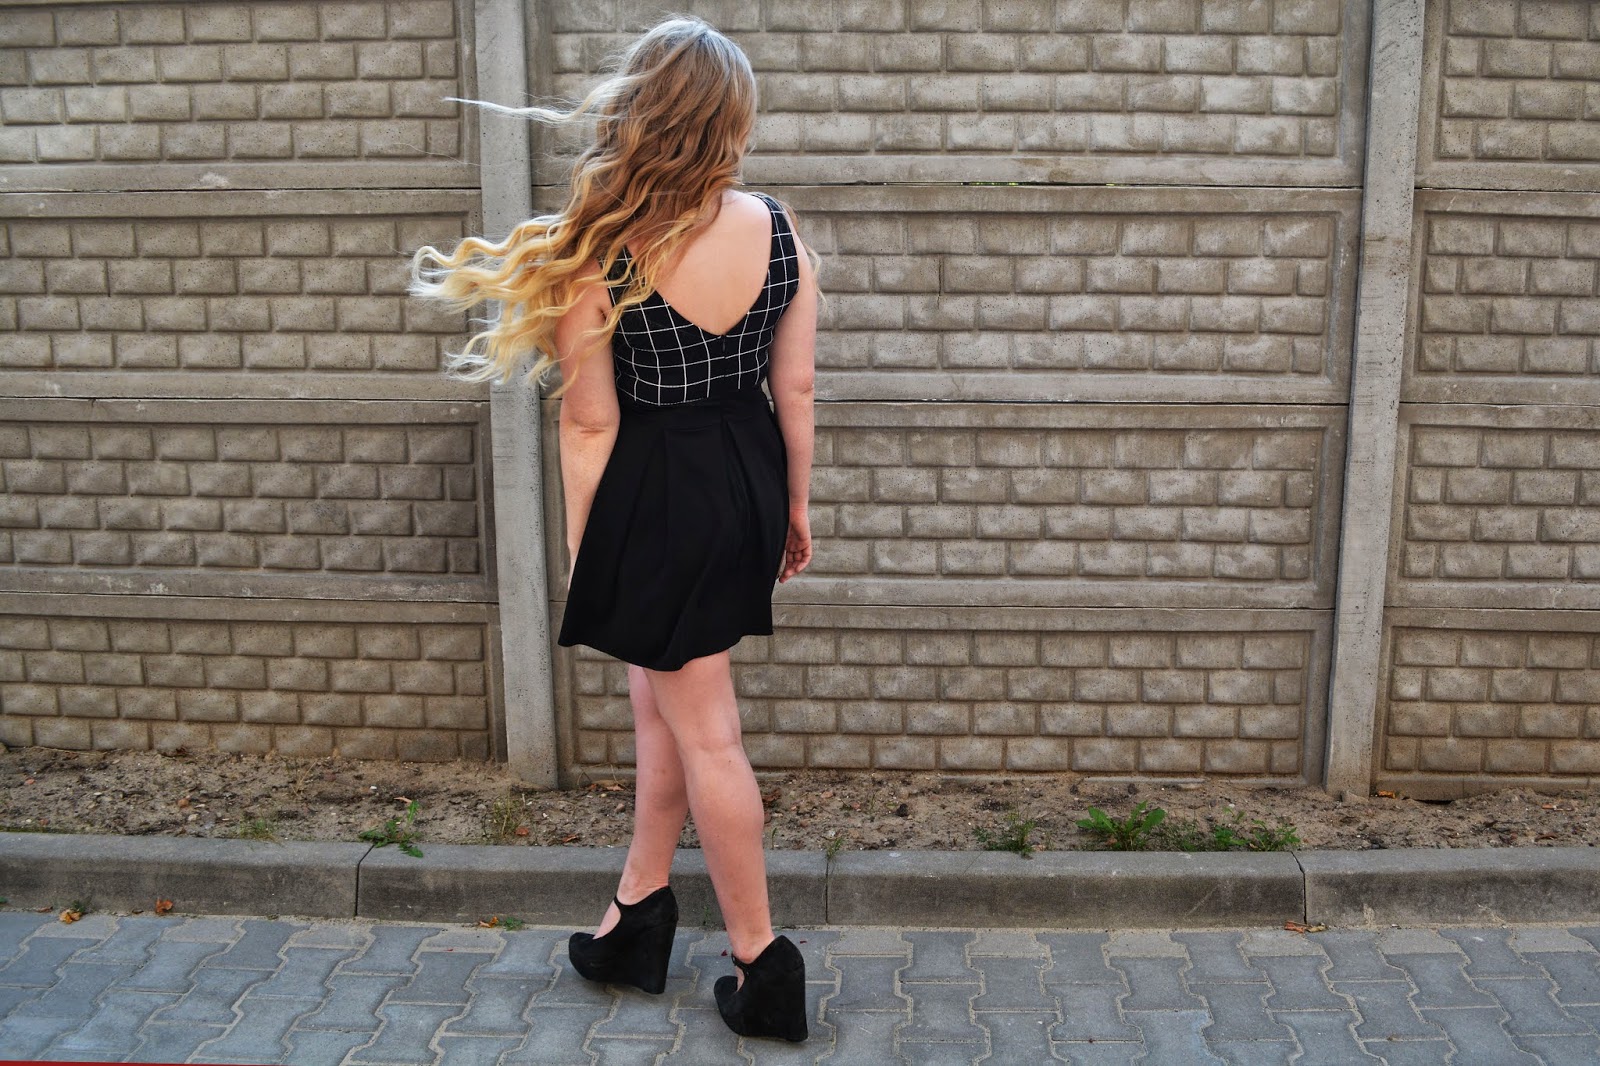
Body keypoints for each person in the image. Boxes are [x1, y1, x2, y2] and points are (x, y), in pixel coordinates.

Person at [408, 15, 818, 1043]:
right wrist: (794, 506)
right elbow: (798, 387)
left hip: (660, 500)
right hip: (746, 481)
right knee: (660, 708)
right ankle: (636, 914)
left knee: (707, 730)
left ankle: (762, 962)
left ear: (640, 110)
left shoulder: (603, 247)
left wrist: (589, 547)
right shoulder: (777, 230)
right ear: (729, 120)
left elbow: (589, 422)